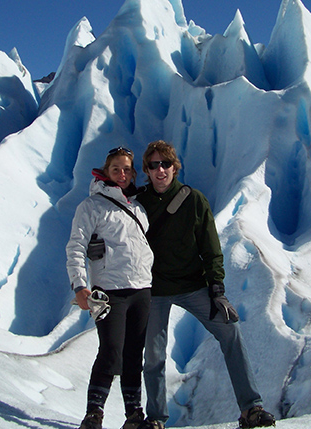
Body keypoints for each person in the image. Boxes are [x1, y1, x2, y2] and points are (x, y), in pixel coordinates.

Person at [137, 140, 276, 429]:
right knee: (154, 355)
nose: (160, 170)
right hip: (156, 290)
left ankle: (251, 408)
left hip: (193, 286)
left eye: (165, 164)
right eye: (154, 165)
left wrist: (217, 291)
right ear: (147, 170)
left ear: (175, 168)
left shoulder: (194, 200)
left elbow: (211, 248)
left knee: (230, 332)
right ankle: (156, 418)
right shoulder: (138, 202)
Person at [66, 147, 155, 429]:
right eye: (116, 168)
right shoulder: (91, 206)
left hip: (141, 288)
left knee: (133, 354)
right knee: (111, 351)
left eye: (127, 169)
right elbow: (76, 246)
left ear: (133, 173)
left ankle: (134, 415)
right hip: (108, 291)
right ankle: (93, 414)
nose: (122, 174)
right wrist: (80, 285)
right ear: (105, 172)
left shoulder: (138, 208)